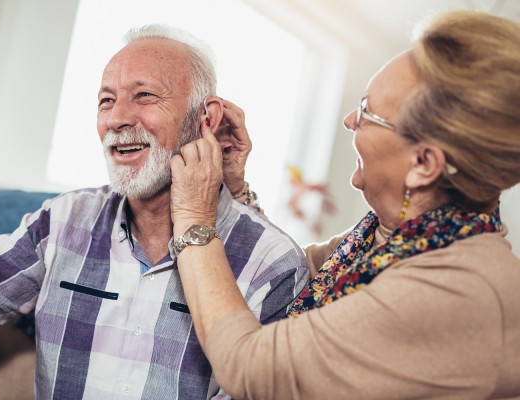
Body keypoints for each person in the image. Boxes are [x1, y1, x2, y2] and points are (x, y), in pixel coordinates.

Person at [0, 24, 309, 399]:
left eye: (144, 96)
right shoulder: (62, 221)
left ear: (206, 119)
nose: (117, 119)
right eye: (106, 100)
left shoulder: (273, 263)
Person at [170, 10, 520, 400]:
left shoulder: (457, 290)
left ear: (423, 165)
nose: (350, 120)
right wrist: (236, 193)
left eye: (369, 113)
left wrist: (193, 221)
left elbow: (253, 368)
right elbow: (289, 276)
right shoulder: (392, 241)